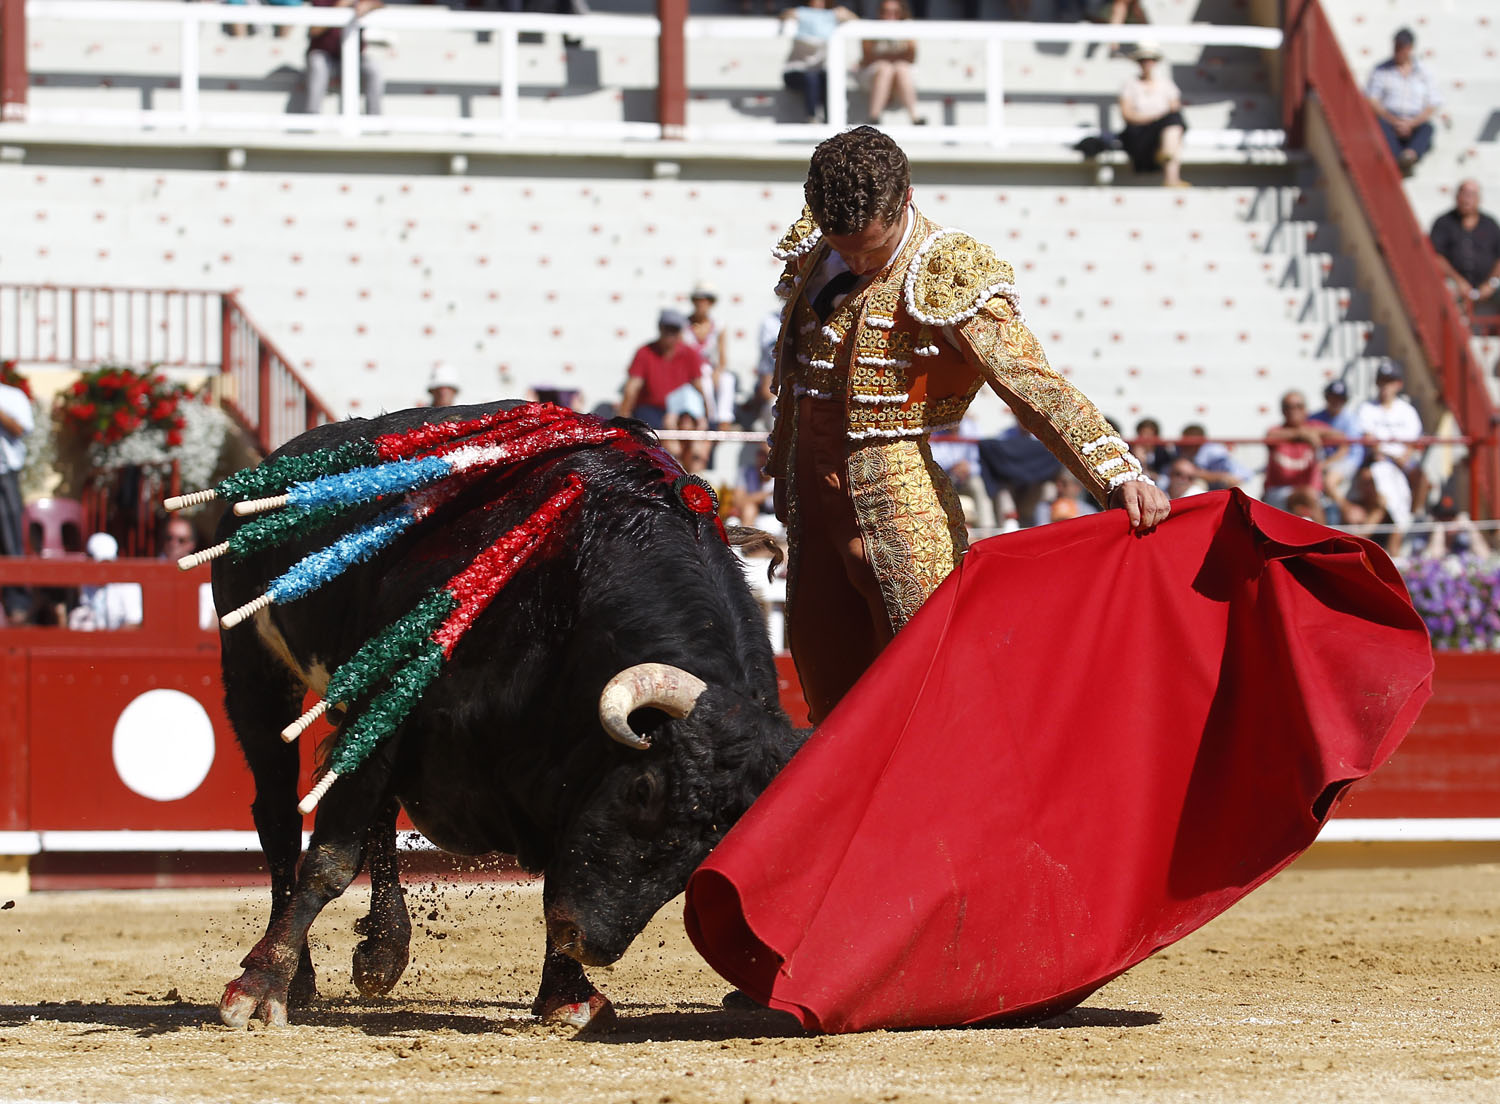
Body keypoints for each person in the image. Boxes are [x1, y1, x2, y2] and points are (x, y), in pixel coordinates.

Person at [763, 126, 1168, 723]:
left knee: (931, 683)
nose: (851, 261)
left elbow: (1027, 381)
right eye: (841, 245)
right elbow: (796, 378)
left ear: (906, 199)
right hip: (810, 496)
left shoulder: (947, 268)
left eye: (869, 249)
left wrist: (1113, 469)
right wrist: (782, 472)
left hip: (895, 493)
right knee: (830, 693)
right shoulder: (817, 246)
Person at [1356, 360, 1426, 529]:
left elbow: (1412, 442)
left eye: (1390, 381)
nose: (1385, 386)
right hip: (1377, 461)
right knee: (1379, 495)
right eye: (1382, 381)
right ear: (1377, 383)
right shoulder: (1366, 408)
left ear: (1398, 384)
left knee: (1421, 478)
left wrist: (1403, 457)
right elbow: (1370, 441)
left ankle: (1412, 521)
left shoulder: (1407, 410)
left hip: (1402, 461)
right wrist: (1393, 458)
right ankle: (1401, 525)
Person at [618, 308, 709, 437]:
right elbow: (631, 388)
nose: (670, 334)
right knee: (665, 440)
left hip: (682, 413)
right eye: (667, 329)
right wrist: (623, 419)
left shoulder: (690, 353)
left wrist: (705, 415)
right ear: (660, 328)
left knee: (696, 445)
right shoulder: (644, 352)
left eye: (674, 329)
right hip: (651, 410)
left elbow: (699, 387)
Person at [1365, 27, 1441, 172]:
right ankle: (1399, 160)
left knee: (1428, 128)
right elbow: (1372, 100)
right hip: (1389, 119)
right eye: (1397, 46)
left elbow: (1433, 103)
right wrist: (1394, 121)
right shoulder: (1381, 70)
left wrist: (1411, 123)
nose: (1399, 50)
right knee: (1380, 125)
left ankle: (1408, 156)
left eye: (1402, 46)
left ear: (1410, 48)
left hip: (1415, 121)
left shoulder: (1425, 72)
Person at [1117, 44, 1188, 188]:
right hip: (1140, 131)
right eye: (1143, 60)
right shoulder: (1130, 84)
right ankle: (1167, 162)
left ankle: (1170, 171)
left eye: (1150, 60)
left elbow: (1175, 107)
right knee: (1172, 127)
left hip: (1162, 129)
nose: (1147, 63)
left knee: (1173, 123)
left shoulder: (1165, 83)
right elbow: (1127, 114)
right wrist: (1154, 117)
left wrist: (1158, 118)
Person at [1430, 179, 1500, 320]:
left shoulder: (1490, 224)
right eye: (1464, 193)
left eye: (1472, 194)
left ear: (1479, 199)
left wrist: (1491, 283)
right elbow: (1435, 255)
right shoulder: (1444, 222)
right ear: (1457, 197)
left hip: (1488, 286)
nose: (1468, 198)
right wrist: (1458, 281)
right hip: (1452, 283)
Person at [302, 0, 385, 117]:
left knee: (373, 68)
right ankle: (312, 117)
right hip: (326, 56)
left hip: (355, 58)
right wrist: (339, 7)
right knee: (318, 64)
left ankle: (375, 120)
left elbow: (381, 5)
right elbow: (313, 31)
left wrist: (370, 4)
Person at [780, 0, 858, 125]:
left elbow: (854, 19)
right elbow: (784, 15)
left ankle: (830, 120)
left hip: (819, 73)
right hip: (796, 71)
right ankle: (812, 117)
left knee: (829, 79)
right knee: (812, 78)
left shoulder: (831, 15)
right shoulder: (801, 13)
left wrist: (842, 11)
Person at [1262, 389, 1333, 512]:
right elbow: (1270, 437)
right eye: (1288, 407)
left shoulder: (1315, 427)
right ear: (1282, 410)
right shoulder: (1275, 430)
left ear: (1305, 409)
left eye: (1298, 406)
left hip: (1312, 494)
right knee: (1305, 497)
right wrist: (1301, 435)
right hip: (1279, 492)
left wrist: (1327, 463)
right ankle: (1324, 530)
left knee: (1307, 499)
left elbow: (1343, 440)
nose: (1293, 411)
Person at [859, 0, 926, 127]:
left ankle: (914, 117)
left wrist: (884, 58)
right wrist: (893, 59)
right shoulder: (871, 27)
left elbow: (911, 56)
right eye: (886, 12)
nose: (890, 15)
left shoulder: (908, 27)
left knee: (900, 68)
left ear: (901, 13)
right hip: (875, 76)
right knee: (886, 68)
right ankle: (874, 117)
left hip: (899, 76)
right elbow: (867, 56)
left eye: (895, 12)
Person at [0, 371, 33, 623]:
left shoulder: (12, 396)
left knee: (11, 541)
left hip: (5, 475)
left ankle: (17, 603)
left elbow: (20, 428)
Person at [68, 532, 143, 631]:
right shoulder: (83, 583)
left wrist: (109, 642)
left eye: (107, 563)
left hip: (119, 643)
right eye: (99, 564)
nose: (104, 570)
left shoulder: (129, 586)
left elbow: (134, 622)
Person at [1171, 423, 1249, 491]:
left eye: (1190, 442)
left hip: (1224, 486)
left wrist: (1201, 474)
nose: (1186, 446)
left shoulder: (1214, 451)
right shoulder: (1179, 449)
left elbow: (1232, 477)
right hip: (1210, 487)